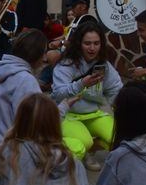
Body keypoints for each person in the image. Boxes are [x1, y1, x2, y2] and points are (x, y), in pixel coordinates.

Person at [0, 29, 59, 160]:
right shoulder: (26, 80)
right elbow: (35, 125)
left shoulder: (1, 69)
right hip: (6, 156)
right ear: (35, 54)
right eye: (43, 53)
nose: (44, 58)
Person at [52, 22, 123, 171]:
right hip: (67, 115)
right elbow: (58, 94)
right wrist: (81, 84)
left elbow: (115, 89)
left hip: (93, 113)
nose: (92, 48)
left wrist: (121, 106)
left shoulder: (104, 64)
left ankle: (89, 151)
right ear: (79, 44)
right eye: (87, 43)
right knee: (84, 142)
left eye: (96, 43)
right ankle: (57, 145)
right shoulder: (66, 64)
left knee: (120, 138)